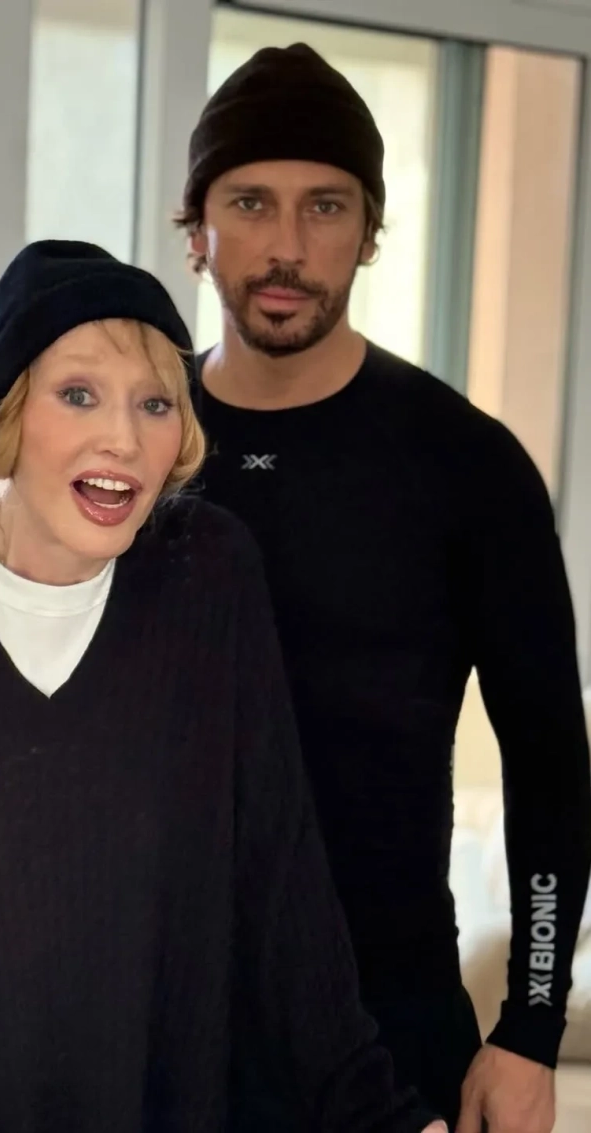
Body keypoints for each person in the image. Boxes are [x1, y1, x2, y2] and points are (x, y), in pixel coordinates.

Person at [0, 240, 444, 1133]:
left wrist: (382, 1115)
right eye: (79, 394)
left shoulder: (207, 578)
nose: (123, 438)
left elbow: (282, 888)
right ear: (9, 411)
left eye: (155, 403)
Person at [176, 42, 591, 1133]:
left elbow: (551, 762)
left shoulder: (465, 463)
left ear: (369, 231)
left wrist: (530, 1026)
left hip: (388, 1026)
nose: (286, 246)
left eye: (325, 207)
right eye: (250, 203)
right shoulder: (131, 451)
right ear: (196, 229)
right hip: (156, 1018)